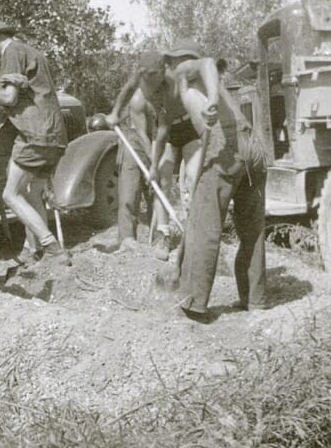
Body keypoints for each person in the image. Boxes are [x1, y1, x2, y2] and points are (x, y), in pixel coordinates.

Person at [162, 42, 268, 323]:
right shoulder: (203, 87)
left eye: (169, 62)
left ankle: (193, 305)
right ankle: (255, 299)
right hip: (253, 148)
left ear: (182, 60)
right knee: (252, 229)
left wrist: (209, 100)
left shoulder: (189, 71)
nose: (168, 69)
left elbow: (208, 61)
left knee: (203, 226)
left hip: (226, 147)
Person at [0, 19, 69, 267]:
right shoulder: (30, 52)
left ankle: (52, 247)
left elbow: (8, 98)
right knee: (31, 193)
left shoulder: (11, 52)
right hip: (52, 134)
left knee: (10, 194)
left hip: (35, 135)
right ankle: (31, 251)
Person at [107, 43, 205, 258]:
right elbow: (127, 93)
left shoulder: (172, 84)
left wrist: (153, 163)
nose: (149, 84)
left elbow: (162, 131)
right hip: (167, 133)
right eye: (145, 79)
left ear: (162, 71)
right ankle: (163, 235)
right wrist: (114, 112)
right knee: (162, 179)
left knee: (193, 177)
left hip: (187, 128)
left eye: (154, 78)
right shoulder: (140, 78)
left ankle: (196, 234)